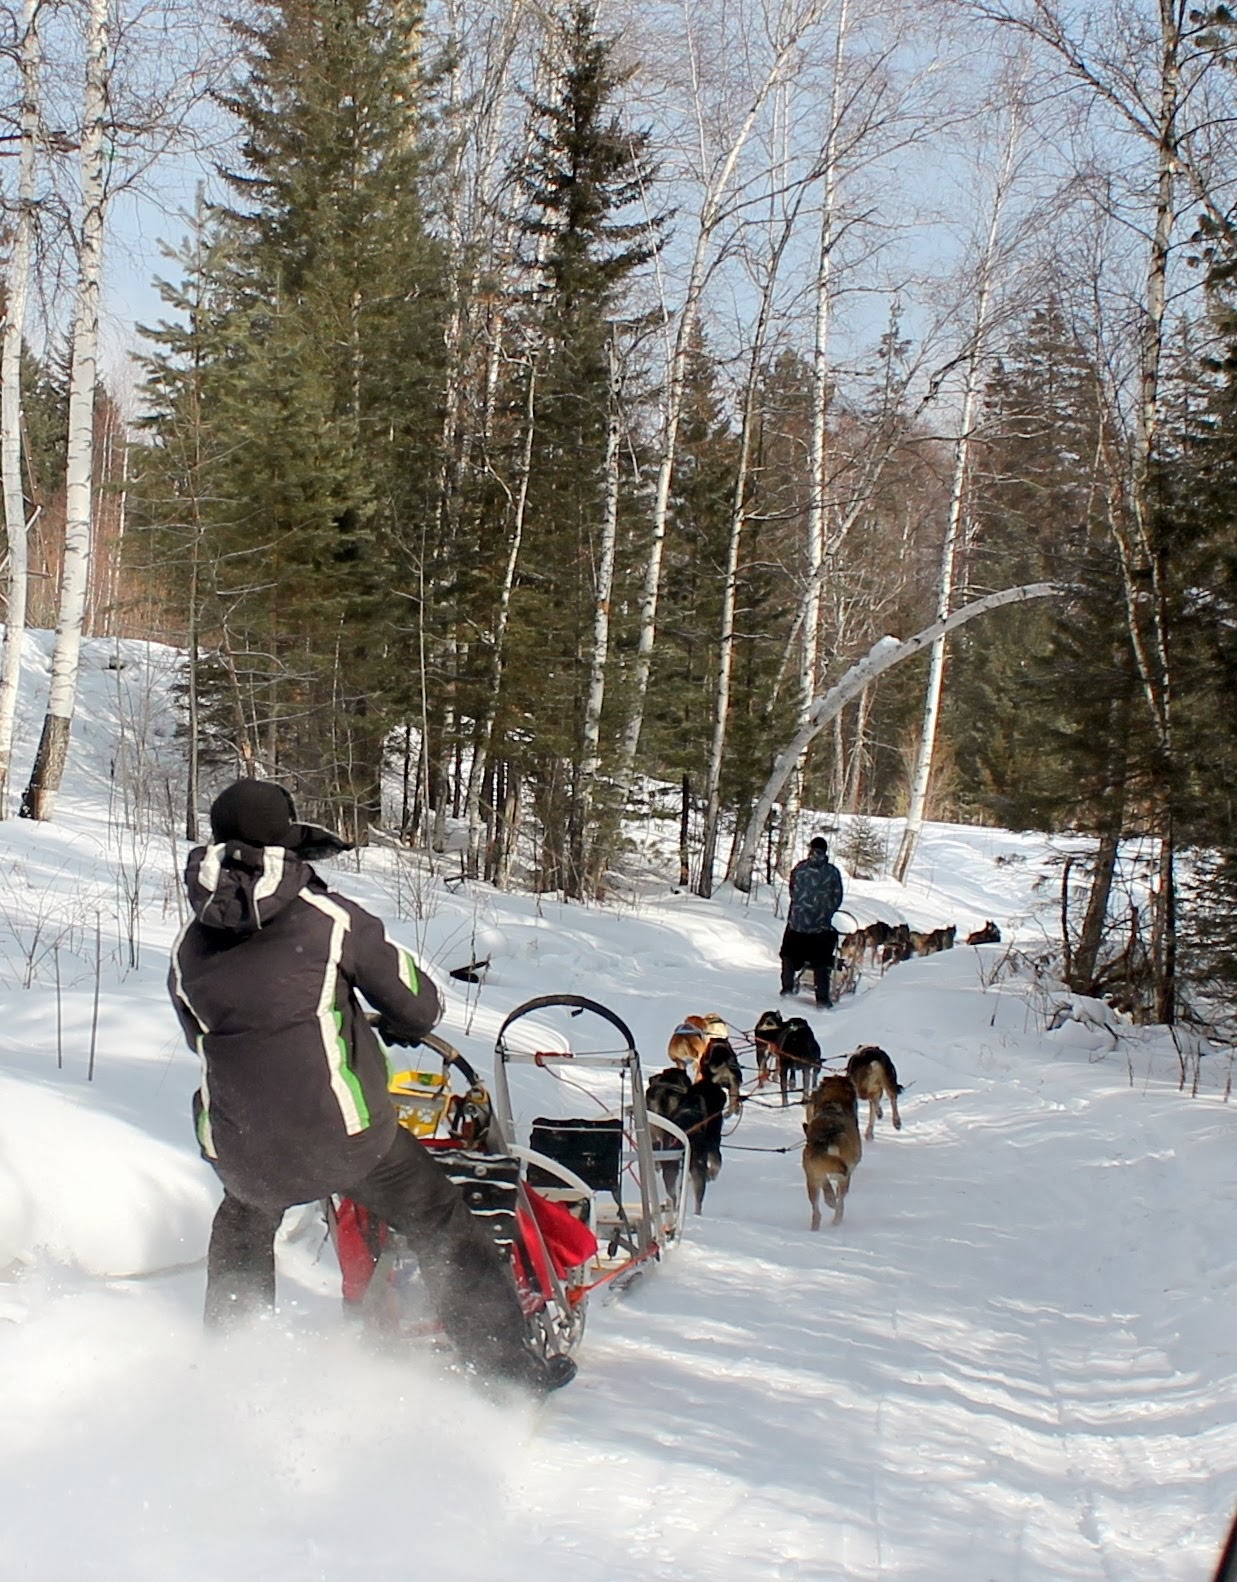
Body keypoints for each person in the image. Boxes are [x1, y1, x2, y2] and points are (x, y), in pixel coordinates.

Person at [168, 777, 574, 1396]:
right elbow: (420, 1005)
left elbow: (207, 1040)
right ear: (289, 842)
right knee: (441, 1220)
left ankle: (232, 1377)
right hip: (344, 1136)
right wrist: (379, 1021)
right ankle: (505, 1371)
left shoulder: (188, 947)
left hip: (242, 1143)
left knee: (243, 1227)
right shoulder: (331, 919)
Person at [780, 835, 844, 1007]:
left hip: (796, 925)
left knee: (788, 955)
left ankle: (787, 988)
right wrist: (825, 912)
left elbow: (792, 891)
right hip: (820, 928)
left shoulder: (799, 868)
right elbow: (837, 898)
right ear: (825, 851)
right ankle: (822, 999)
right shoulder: (831, 872)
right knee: (821, 962)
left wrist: (800, 911)